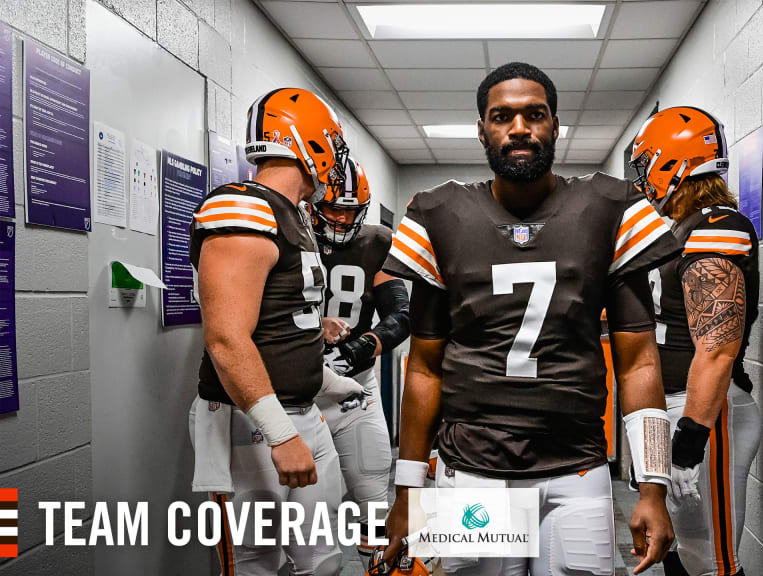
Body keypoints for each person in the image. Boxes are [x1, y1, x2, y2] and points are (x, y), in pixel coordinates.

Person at [381, 61, 679, 576]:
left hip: (576, 466)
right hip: (473, 467)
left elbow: (638, 362)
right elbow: (425, 367)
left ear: (555, 124)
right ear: (482, 129)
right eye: (502, 117)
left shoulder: (609, 207)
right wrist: (409, 490)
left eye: (534, 115)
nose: (519, 129)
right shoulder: (438, 214)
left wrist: (653, 485)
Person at [188, 87, 359, 576]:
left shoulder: (293, 215)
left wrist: (325, 379)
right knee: (254, 564)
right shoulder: (242, 207)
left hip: (303, 412)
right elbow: (226, 339)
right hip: (253, 422)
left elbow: (280, 322)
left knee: (323, 559)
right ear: (314, 145)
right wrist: (281, 434)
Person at [629, 107, 762, 576]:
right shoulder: (683, 229)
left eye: (647, 167)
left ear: (673, 164)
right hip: (677, 405)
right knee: (680, 553)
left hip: (707, 411)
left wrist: (690, 440)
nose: (643, 182)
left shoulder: (715, 228)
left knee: (713, 563)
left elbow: (718, 348)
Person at [308, 157, 410, 569]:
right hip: (299, 392)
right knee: (305, 514)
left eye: (350, 210)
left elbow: (400, 315)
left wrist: (363, 346)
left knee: (373, 500)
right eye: (332, 207)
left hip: (355, 389)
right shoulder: (287, 233)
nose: (340, 218)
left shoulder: (376, 242)